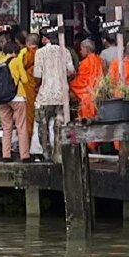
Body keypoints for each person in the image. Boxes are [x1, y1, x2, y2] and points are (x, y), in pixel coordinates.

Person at [33, 31, 74, 161]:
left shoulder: (40, 53)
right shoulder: (65, 51)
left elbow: (37, 75)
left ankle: (46, 153)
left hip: (45, 95)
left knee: (43, 124)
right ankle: (58, 154)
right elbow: (71, 72)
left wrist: (37, 86)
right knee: (59, 124)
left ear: (45, 39)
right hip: (62, 95)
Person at [0, 38, 32, 163]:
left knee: (6, 127)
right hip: (17, 96)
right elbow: (25, 79)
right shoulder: (17, 61)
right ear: (14, 52)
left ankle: (6, 155)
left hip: (2, 98)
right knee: (21, 126)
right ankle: (25, 155)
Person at [71, 38, 104, 121]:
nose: (80, 52)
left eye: (81, 49)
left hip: (87, 96)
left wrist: (70, 84)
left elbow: (81, 81)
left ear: (87, 49)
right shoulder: (100, 60)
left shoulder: (85, 63)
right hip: (99, 94)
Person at [19, 33, 41, 147]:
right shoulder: (42, 53)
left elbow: (22, 65)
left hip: (30, 87)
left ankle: (29, 141)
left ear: (28, 44)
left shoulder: (27, 54)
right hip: (40, 88)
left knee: (29, 114)